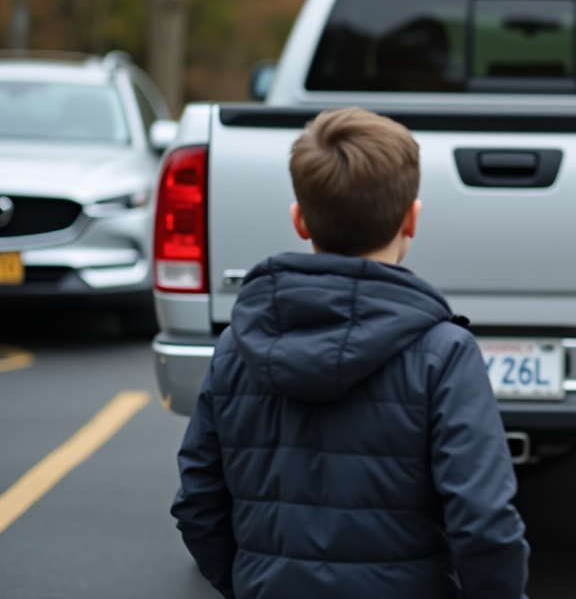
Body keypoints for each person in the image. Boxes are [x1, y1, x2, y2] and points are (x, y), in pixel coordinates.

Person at [171, 107, 529, 599]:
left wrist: (244, 583)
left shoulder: (235, 347)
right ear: (411, 219)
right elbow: (484, 523)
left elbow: (198, 504)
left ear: (300, 220)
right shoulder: (443, 355)